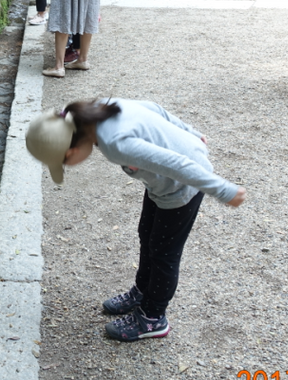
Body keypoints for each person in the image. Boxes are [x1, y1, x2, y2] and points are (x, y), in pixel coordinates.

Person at [25, 99, 246, 341]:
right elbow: (154, 108)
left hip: (180, 187)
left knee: (164, 253)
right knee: (147, 234)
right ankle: (141, 292)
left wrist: (223, 190)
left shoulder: (115, 144)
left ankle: (153, 318)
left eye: (64, 164)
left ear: (71, 152)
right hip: (161, 182)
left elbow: (177, 165)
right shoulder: (100, 108)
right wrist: (191, 133)